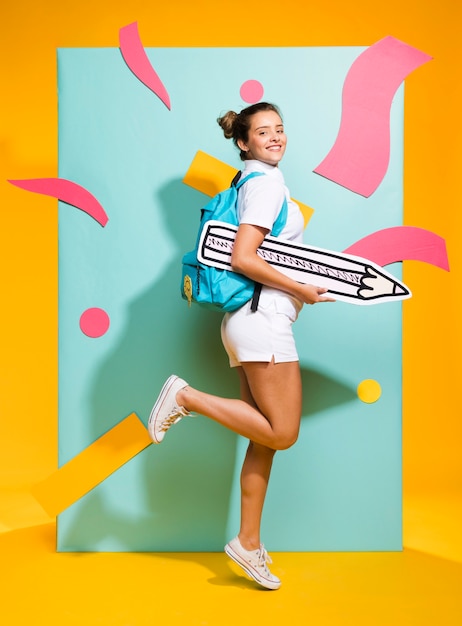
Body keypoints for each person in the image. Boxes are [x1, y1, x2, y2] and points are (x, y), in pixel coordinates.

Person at [148, 102, 334, 590]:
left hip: (247, 320)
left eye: (280, 129)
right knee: (283, 432)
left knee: (263, 441)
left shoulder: (247, 180)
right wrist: (300, 290)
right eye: (263, 131)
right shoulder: (266, 184)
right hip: (263, 319)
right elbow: (245, 257)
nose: (275, 137)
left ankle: (248, 543)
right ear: (243, 141)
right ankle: (185, 397)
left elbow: (266, 254)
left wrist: (304, 283)